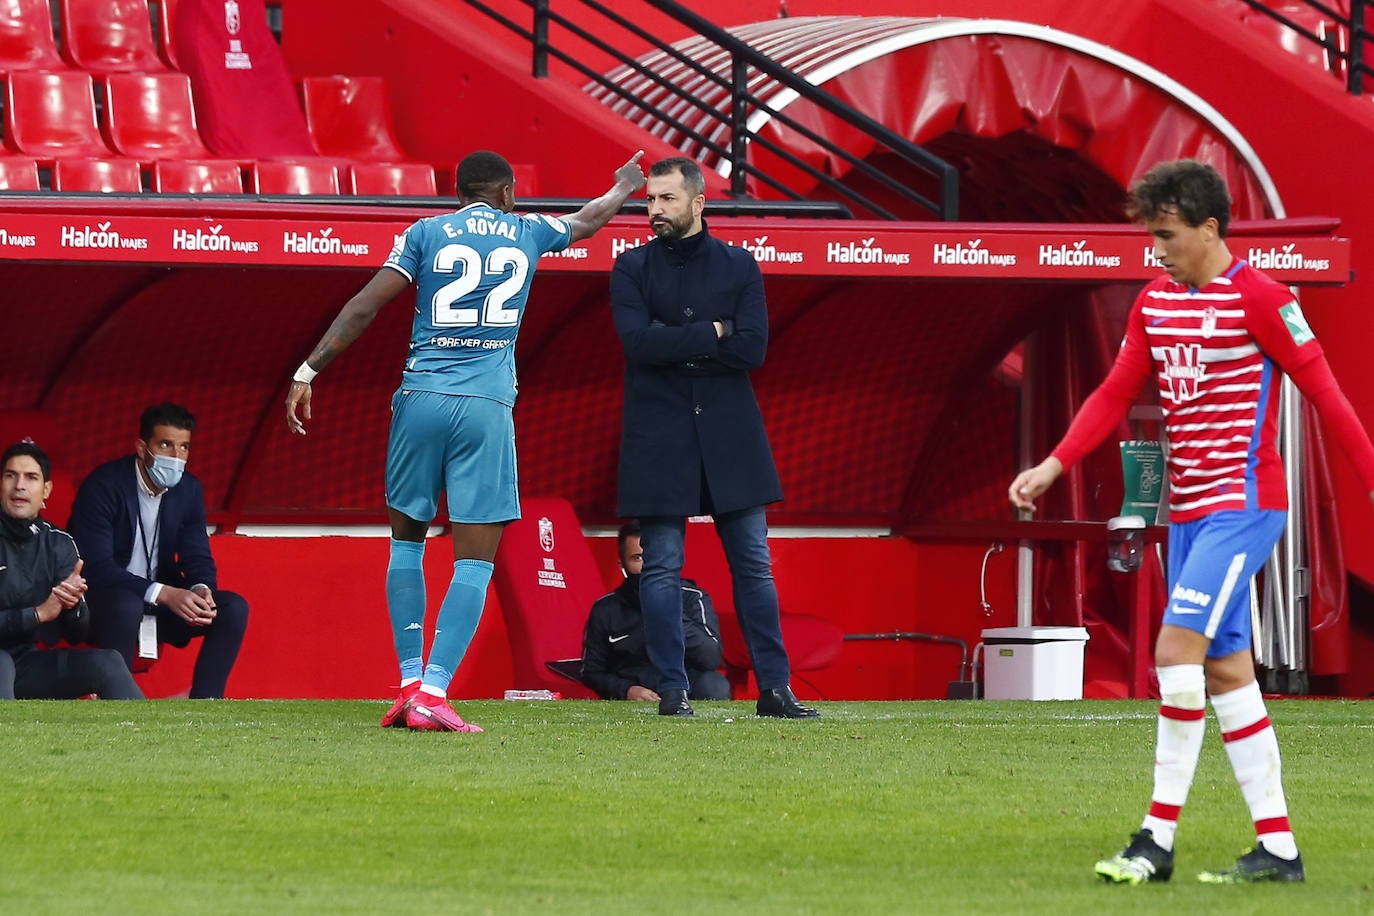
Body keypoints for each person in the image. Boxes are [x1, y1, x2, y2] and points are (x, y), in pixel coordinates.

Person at [1008, 160, 1374, 885]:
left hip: (1244, 505)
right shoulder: (1154, 303)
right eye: (1152, 235)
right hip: (1191, 514)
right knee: (1225, 670)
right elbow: (1115, 392)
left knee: (1175, 649)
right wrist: (1053, 464)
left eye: (1169, 235)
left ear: (1211, 228)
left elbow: (1327, 394)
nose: (1157, 248)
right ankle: (1278, 849)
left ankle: (1155, 840)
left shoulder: (1266, 300)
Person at [284, 149, 647, 733]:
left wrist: (306, 373)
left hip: (420, 400)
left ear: (459, 195)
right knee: (474, 560)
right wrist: (624, 187)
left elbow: (363, 306)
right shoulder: (525, 231)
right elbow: (585, 221)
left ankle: (406, 683)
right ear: (505, 194)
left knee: (406, 545)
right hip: (485, 410)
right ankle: (433, 691)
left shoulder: (425, 232)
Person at [610, 156, 818, 720]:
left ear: (698, 203)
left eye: (666, 199)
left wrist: (674, 339)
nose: (653, 210)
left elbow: (752, 349)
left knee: (753, 564)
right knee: (660, 568)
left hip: (731, 436)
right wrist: (713, 333)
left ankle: (775, 690)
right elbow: (636, 345)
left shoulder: (739, 266)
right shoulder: (630, 268)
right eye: (650, 200)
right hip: (659, 435)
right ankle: (674, 692)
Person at [69, 403, 250, 699]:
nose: (176, 457)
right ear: (142, 448)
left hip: (161, 605)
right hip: (105, 606)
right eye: (165, 445)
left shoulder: (189, 489)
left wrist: (201, 589)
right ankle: (119, 704)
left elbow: (197, 555)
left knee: (232, 608)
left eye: (184, 447)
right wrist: (164, 592)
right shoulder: (104, 485)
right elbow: (97, 568)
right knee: (125, 605)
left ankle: (206, 706)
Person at [0, 441, 142, 700]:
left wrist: (73, 606)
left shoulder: (59, 542)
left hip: (24, 664)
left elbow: (76, 635)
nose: (19, 485)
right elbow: (41, 615)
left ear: (46, 490)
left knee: (108, 662)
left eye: (31, 478)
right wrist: (38, 614)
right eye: (11, 476)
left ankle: (149, 738)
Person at [581, 521, 731, 702]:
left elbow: (711, 657)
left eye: (653, 556)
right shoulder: (605, 609)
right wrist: (626, 690)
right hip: (635, 688)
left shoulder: (693, 598)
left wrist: (667, 610)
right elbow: (591, 672)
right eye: (637, 558)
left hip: (688, 685)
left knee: (715, 685)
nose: (647, 565)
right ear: (623, 565)